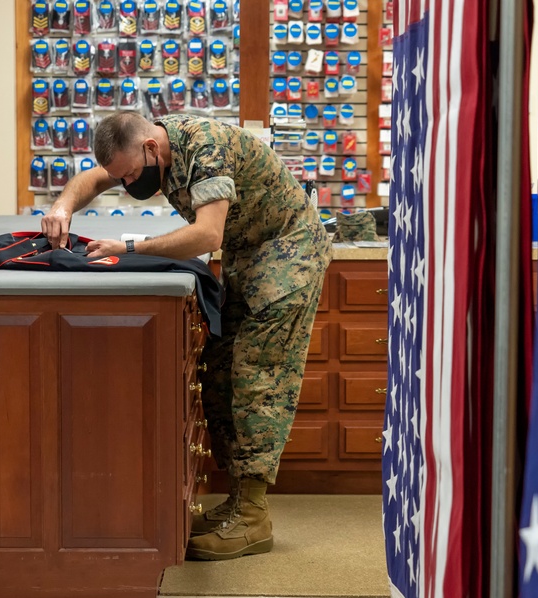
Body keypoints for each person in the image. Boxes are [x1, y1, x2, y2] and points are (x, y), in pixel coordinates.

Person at [41, 111, 332, 560]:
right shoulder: (141, 144)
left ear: (151, 149)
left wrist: (129, 247)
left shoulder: (205, 148)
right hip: (248, 254)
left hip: (287, 254)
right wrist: (62, 207)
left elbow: (206, 233)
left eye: (133, 174)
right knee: (218, 373)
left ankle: (254, 517)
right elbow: (94, 179)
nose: (129, 184)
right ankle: (237, 502)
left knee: (257, 378)